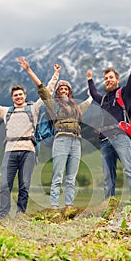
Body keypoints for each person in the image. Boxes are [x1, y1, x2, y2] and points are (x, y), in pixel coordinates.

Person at [0, 64, 61, 221]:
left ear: (25, 95)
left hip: (28, 151)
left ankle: (20, 215)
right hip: (10, 151)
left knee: (24, 185)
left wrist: (56, 74)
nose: (18, 97)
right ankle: (4, 216)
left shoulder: (34, 109)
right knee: (5, 186)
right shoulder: (5, 112)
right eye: (15, 95)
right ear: (12, 98)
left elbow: (47, 91)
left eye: (20, 94)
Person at [18, 56, 92, 213]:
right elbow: (43, 90)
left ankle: (69, 206)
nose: (64, 91)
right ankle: (54, 207)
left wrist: (93, 93)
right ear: (58, 92)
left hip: (76, 141)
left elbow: (88, 102)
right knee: (58, 174)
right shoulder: (53, 106)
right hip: (61, 139)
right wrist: (29, 70)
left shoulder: (77, 108)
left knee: (71, 177)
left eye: (66, 89)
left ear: (70, 92)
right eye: (61, 89)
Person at [87, 40, 131, 199]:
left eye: (111, 77)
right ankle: (108, 204)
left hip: (121, 137)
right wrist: (90, 79)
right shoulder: (103, 99)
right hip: (105, 141)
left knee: (129, 170)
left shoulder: (124, 94)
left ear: (117, 80)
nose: (108, 80)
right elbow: (94, 92)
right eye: (106, 78)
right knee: (108, 177)